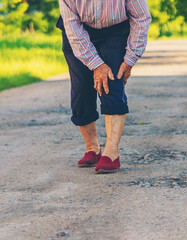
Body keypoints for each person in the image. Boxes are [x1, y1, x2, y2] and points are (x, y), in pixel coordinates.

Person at [56, 0, 151, 174]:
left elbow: (142, 17)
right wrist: (96, 64)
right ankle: (92, 148)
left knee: (112, 83)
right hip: (77, 32)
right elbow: (73, 27)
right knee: (81, 90)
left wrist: (130, 58)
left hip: (115, 31)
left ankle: (111, 153)